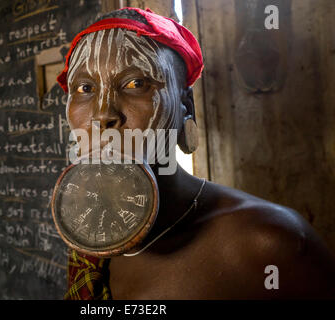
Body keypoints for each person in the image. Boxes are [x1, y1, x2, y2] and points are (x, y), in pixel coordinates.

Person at [56, 7, 335, 299]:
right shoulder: (91, 233)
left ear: (185, 104)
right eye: (85, 88)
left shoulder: (270, 246)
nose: (103, 114)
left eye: (136, 84)